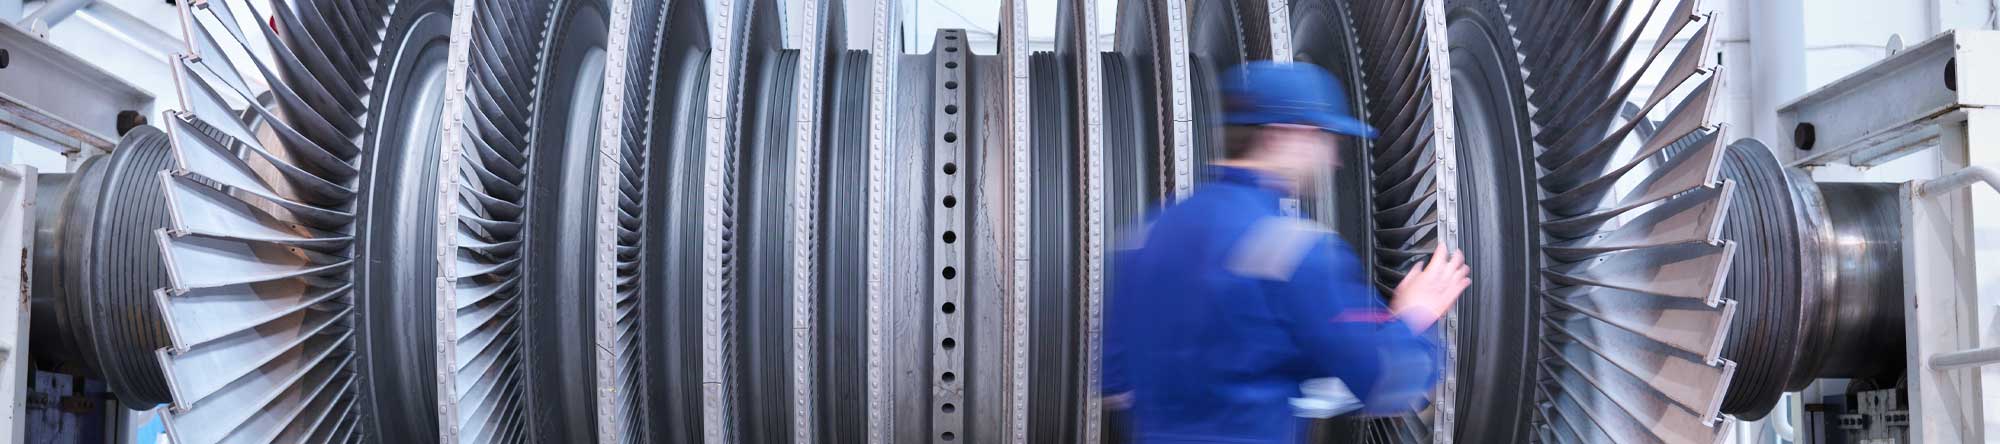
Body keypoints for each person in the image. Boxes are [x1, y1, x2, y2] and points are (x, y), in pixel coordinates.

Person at [1102, 61, 1472, 443]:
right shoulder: (1295, 252)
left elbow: (1116, 382)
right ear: (1283, 135)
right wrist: (1413, 315)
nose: (1335, 159)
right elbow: (1386, 379)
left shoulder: (1148, 236)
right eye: (1324, 138)